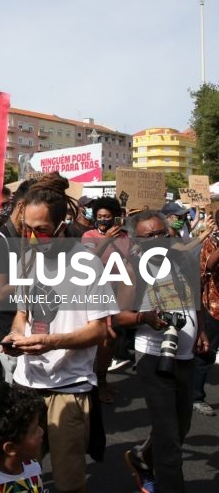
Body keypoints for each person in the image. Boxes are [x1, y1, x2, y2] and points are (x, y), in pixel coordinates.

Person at [1, 173, 113, 493]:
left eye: (42, 231)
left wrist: (51, 342)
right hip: (26, 386)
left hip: (69, 390)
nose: (34, 238)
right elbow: (22, 315)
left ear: (62, 226)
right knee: (19, 479)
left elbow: (100, 331)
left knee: (68, 483)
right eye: (28, 230)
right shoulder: (26, 260)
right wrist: (15, 338)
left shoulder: (88, 264)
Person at [113, 210, 209, 493]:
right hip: (154, 358)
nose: (157, 239)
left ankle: (142, 457)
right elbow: (120, 316)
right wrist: (145, 318)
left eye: (160, 233)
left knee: (179, 427)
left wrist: (200, 329)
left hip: (185, 355)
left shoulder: (182, 259)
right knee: (169, 441)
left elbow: (196, 301)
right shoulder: (132, 268)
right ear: (136, 241)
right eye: (148, 235)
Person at [0, 179, 37, 384]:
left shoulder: (29, 237)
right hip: (6, 327)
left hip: (27, 322)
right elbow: (0, 292)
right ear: (22, 207)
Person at [81, 196, 134, 403]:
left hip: (118, 293)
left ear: (115, 218)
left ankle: (100, 381)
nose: (103, 220)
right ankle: (97, 383)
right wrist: (106, 241)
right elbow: (87, 260)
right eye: (100, 216)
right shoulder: (89, 235)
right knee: (105, 336)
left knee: (111, 338)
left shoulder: (125, 236)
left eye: (107, 216)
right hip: (94, 291)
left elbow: (130, 260)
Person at [195, 212, 219, 416]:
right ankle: (196, 396)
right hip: (214, 306)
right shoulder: (211, 242)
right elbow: (210, 265)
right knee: (206, 353)